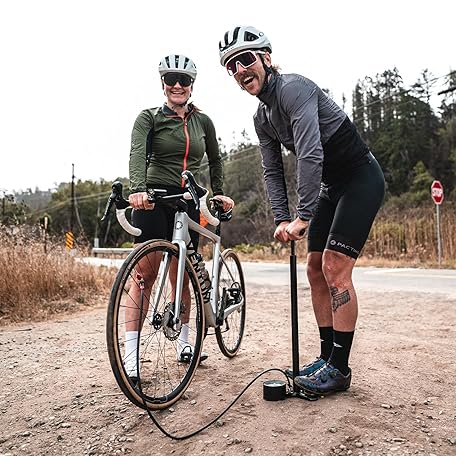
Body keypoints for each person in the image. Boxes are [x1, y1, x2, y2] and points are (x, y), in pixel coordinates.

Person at [218, 27, 385, 395]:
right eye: (231, 66)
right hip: (331, 186)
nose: (240, 70)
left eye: (246, 59)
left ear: (265, 58)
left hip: (360, 177)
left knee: (335, 268)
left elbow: (311, 153)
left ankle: (339, 369)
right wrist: (281, 217)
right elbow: (272, 170)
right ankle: (327, 358)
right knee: (314, 268)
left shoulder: (294, 89)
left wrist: (303, 215)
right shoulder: (262, 117)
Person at [124, 54, 234, 380]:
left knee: (182, 274)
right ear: (162, 83)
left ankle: (184, 343)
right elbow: (137, 154)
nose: (177, 85)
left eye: (183, 80)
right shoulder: (149, 118)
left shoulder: (203, 122)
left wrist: (219, 192)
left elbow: (216, 160)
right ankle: (131, 356)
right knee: (144, 276)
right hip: (154, 199)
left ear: (191, 85)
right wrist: (138, 189)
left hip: (189, 200)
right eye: (171, 79)